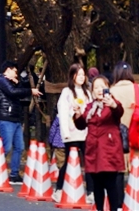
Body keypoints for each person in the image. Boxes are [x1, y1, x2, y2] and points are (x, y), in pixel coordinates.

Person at [78, 75, 124, 211]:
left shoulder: (112, 103)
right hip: (93, 149)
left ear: (108, 89)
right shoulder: (89, 107)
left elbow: (119, 112)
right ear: (92, 91)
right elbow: (81, 124)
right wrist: (76, 115)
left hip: (109, 149)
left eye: (102, 87)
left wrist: (113, 105)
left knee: (110, 183)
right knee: (97, 184)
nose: (99, 90)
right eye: (96, 87)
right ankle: (99, 209)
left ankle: (114, 209)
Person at [0, 60, 40, 185]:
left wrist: (19, 83)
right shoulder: (2, 81)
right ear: (7, 70)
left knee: (19, 147)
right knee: (7, 146)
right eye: (15, 71)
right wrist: (30, 91)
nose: (16, 74)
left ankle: (14, 174)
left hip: (15, 118)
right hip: (5, 118)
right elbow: (12, 93)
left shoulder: (12, 82)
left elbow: (19, 94)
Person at [54, 63, 91, 201]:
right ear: (72, 75)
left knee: (89, 163)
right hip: (71, 133)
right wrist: (65, 132)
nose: (82, 77)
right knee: (69, 162)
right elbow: (62, 112)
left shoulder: (88, 92)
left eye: (83, 74)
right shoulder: (66, 92)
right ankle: (59, 188)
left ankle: (90, 191)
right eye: (79, 74)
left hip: (86, 133)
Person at [109, 62, 139, 167]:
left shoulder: (112, 91)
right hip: (137, 134)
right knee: (137, 170)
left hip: (119, 135)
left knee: (120, 168)